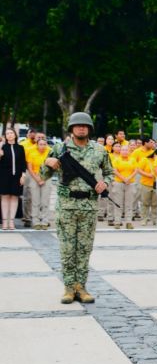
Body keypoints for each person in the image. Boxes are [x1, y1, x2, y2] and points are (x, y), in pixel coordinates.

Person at [40, 112, 113, 303]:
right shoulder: (59, 148)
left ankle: (81, 287)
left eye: (85, 125)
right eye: (77, 125)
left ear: (90, 129)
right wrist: (47, 163)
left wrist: (105, 183)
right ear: (71, 129)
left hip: (89, 206)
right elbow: (43, 175)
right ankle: (69, 288)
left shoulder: (99, 150)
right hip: (66, 206)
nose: (81, 128)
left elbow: (109, 172)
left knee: (84, 249)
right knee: (67, 249)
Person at [0, 127, 28, 230]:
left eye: (11, 133)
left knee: (15, 197)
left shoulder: (20, 148)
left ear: (15, 135)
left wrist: (23, 175)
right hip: (4, 176)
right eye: (7, 133)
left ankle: (11, 221)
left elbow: (23, 163)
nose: (9, 135)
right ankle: (5, 221)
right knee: (5, 197)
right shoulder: (3, 147)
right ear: (5, 136)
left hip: (17, 176)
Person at [25, 135, 51, 229]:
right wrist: (37, 179)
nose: (42, 146)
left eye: (44, 144)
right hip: (34, 176)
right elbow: (29, 168)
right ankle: (35, 221)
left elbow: (52, 167)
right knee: (35, 201)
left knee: (45, 201)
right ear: (37, 145)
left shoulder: (50, 151)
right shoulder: (31, 152)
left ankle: (45, 221)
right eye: (40, 144)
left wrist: (43, 178)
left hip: (47, 176)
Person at [109, 143, 137, 229]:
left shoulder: (133, 160)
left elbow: (136, 170)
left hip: (130, 183)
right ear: (120, 151)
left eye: (126, 150)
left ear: (129, 151)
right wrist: (124, 179)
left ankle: (129, 222)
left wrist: (128, 178)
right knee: (118, 203)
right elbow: (115, 170)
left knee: (129, 203)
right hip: (118, 183)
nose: (125, 151)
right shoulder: (116, 160)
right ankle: (117, 222)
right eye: (123, 150)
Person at [136, 139, 157, 226]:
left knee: (155, 203)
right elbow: (138, 169)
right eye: (156, 154)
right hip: (146, 184)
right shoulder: (145, 160)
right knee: (145, 203)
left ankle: (155, 219)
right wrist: (148, 175)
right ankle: (144, 219)